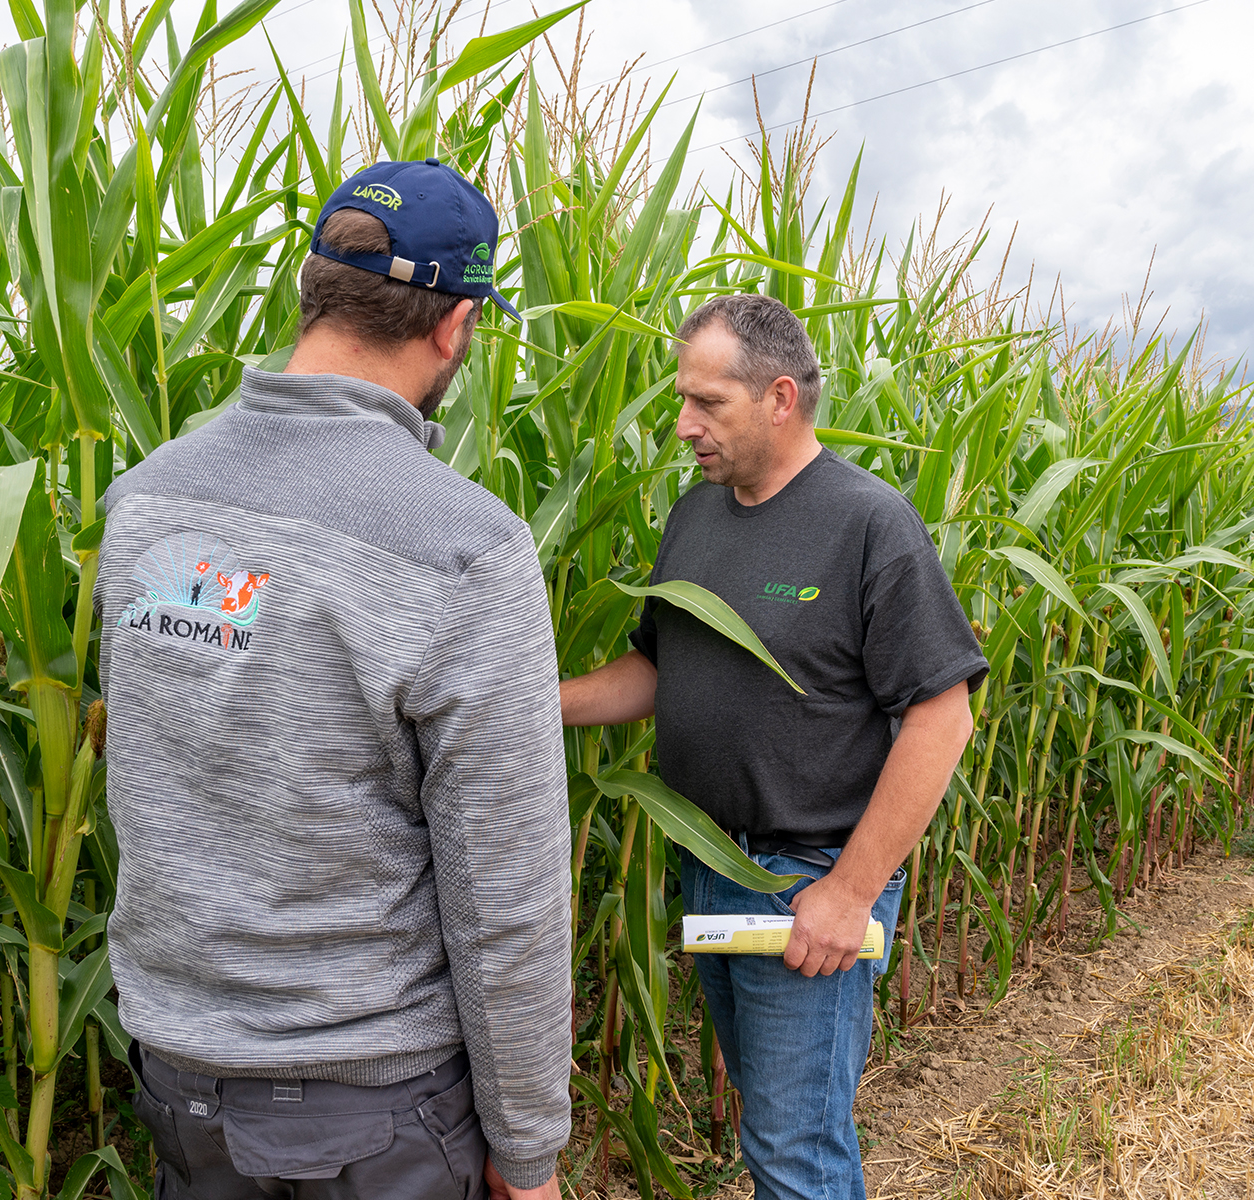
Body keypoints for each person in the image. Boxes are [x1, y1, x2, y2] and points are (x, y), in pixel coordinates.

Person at [97, 160, 571, 1200]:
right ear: (454, 328)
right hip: (374, 1118)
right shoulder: (462, 546)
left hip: (179, 1084)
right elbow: (506, 895)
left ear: (310, 286)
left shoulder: (143, 502)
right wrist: (528, 1150)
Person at [560, 294, 987, 1200]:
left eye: (707, 404)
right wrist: (537, 702)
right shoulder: (697, 518)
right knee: (772, 1126)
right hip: (712, 863)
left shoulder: (868, 524)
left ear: (780, 398)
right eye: (683, 401)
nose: (683, 426)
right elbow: (657, 669)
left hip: (809, 880)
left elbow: (942, 716)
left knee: (796, 1151)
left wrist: (851, 891)